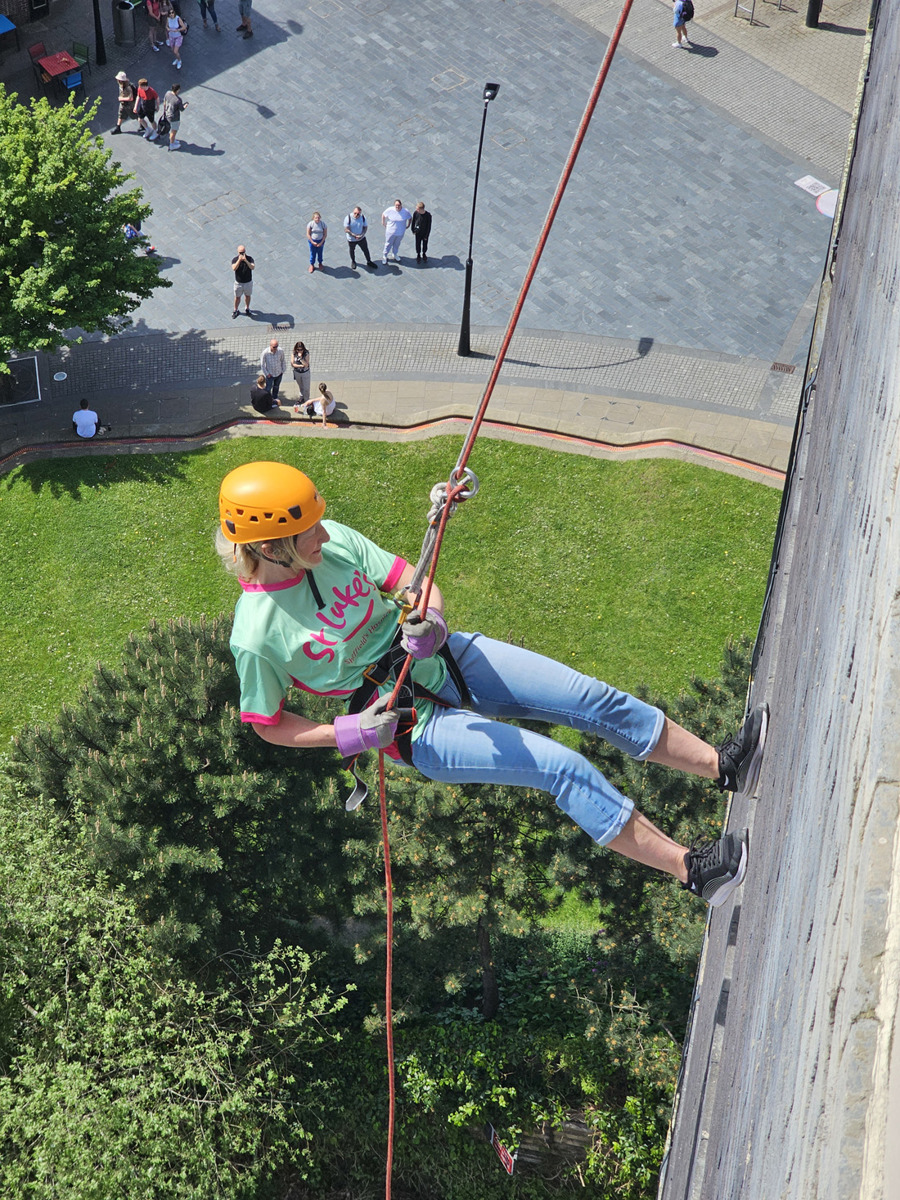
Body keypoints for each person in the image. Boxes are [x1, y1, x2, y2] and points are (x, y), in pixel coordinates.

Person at [216, 462, 769, 909]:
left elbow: (411, 582)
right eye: (307, 530)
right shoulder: (257, 633)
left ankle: (724, 765)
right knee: (561, 768)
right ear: (270, 547)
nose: (322, 532)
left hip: (441, 655)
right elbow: (267, 724)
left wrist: (432, 619)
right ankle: (696, 872)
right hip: (410, 725)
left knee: (586, 697)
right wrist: (350, 733)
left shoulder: (334, 542)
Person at [381, 199, 412, 264]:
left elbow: (410, 218)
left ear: (401, 205)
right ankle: (385, 255)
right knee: (388, 244)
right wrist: (383, 223)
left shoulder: (405, 211)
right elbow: (383, 215)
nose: (397, 207)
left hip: (400, 232)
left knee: (397, 244)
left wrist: (408, 225)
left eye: (399, 205)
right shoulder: (390, 210)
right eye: (396, 205)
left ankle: (395, 254)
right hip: (390, 232)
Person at [231, 245, 254, 317]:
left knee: (248, 296)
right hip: (239, 283)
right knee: (237, 297)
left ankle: (247, 308)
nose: (242, 254)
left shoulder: (249, 258)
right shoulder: (235, 259)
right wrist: (239, 260)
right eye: (240, 253)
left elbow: (252, 267)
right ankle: (235, 310)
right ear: (238, 252)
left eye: (243, 252)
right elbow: (234, 268)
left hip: (248, 282)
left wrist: (246, 260)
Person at [162, 82, 186, 150]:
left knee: (172, 130)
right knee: (173, 131)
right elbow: (181, 109)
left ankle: (173, 140)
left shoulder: (167, 93)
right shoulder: (178, 100)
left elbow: (164, 102)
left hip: (167, 114)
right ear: (177, 90)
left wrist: (165, 111)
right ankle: (172, 145)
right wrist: (185, 105)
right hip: (174, 118)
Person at [291, 341, 311, 406]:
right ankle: (301, 397)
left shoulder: (306, 353)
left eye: (301, 349)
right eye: (298, 350)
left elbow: (306, 365)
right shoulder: (294, 353)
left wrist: (301, 358)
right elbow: (292, 364)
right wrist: (300, 366)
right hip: (297, 372)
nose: (299, 351)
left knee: (306, 388)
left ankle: (306, 400)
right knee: (301, 386)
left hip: (305, 372)